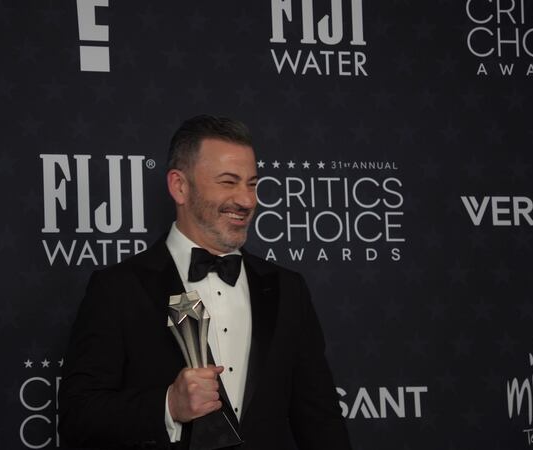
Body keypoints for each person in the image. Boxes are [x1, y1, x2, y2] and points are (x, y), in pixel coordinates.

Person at [58, 115, 351, 450]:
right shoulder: (119, 289)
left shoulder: (287, 289)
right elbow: (77, 418)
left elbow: (320, 420)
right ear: (179, 186)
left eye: (252, 184)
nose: (247, 201)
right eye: (228, 182)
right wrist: (169, 405)